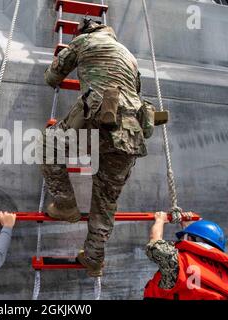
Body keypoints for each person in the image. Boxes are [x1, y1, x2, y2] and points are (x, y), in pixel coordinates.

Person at [41, 17, 152, 277]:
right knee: (105, 201)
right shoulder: (129, 56)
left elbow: (52, 77)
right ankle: (93, 259)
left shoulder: (83, 41)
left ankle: (65, 203)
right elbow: (134, 90)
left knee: (48, 143)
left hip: (97, 121)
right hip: (131, 135)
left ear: (83, 31)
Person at [144, 212, 228, 300]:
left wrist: (160, 220)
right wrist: (189, 229)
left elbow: (155, 245)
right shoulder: (224, 275)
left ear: (190, 238)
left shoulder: (178, 261)